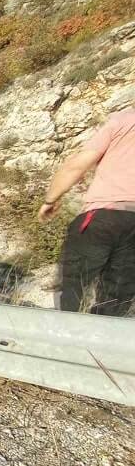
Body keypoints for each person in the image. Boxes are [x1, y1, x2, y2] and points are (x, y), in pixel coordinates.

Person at [38, 107, 135, 316]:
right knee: (118, 294)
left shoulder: (123, 121)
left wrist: (51, 199)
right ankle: (97, 343)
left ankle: (65, 334)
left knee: (74, 283)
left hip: (105, 213)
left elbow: (76, 166)